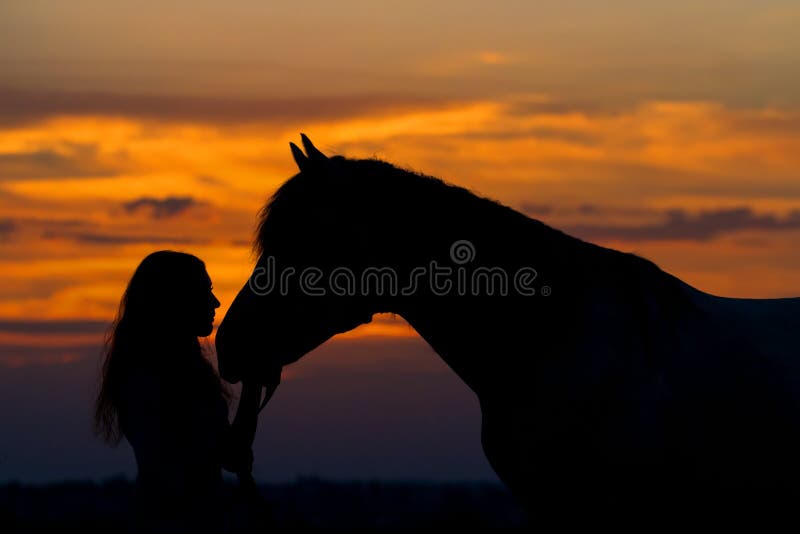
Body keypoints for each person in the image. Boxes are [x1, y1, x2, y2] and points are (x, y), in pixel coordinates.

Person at [94, 250, 272, 533]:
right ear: (175, 300)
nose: (215, 302)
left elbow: (230, 454)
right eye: (204, 291)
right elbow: (223, 458)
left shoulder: (172, 375)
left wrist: (254, 383)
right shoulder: (147, 380)